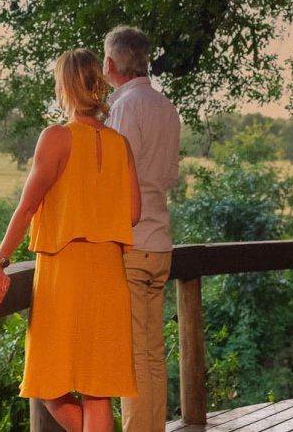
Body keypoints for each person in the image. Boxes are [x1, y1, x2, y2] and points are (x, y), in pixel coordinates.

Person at [0, 49, 142, 432]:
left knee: (46, 382)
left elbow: (27, 208)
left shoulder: (55, 137)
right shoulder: (119, 143)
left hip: (64, 274)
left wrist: (0, 261)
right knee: (97, 391)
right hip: (109, 275)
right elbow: (134, 214)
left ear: (64, 88)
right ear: (98, 85)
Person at [103, 26, 181, 432]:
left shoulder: (125, 108)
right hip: (161, 243)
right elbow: (168, 176)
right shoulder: (166, 107)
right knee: (152, 355)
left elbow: (115, 177)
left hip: (132, 244)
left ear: (111, 64)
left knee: (134, 358)